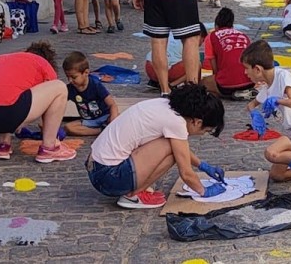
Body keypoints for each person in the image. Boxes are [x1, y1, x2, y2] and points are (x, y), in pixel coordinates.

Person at [86, 84, 226, 208]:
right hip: (109, 177)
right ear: (197, 122)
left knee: (172, 146)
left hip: (97, 168)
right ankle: (132, 195)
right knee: (170, 147)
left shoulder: (165, 105)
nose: (202, 134)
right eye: (205, 131)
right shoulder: (176, 123)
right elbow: (186, 173)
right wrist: (203, 191)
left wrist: (202, 165)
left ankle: (135, 187)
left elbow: (181, 149)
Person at [0, 41, 77, 163]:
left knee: (7, 93)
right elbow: (50, 103)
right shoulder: (42, 63)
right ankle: (50, 148)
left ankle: (3, 144)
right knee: (59, 88)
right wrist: (52, 132)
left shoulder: (2, 59)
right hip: (8, 110)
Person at [241, 40, 291, 182]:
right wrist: (254, 114)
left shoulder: (282, 75)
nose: (245, 72)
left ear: (257, 69)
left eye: (247, 68)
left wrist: (276, 100)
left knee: (271, 152)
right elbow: (251, 104)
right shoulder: (267, 87)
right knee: (277, 175)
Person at [201, 8, 256, 100]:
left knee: (202, 84)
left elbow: (214, 67)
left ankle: (230, 94)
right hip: (250, 82)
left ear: (216, 25)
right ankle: (241, 92)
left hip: (226, 86)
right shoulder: (243, 35)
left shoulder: (211, 36)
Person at [61, 52, 119, 136]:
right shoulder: (70, 88)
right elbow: (58, 103)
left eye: (74, 77)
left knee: (119, 118)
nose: (70, 80)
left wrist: (113, 120)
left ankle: (106, 128)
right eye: (67, 77)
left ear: (86, 73)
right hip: (88, 121)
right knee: (68, 127)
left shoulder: (95, 85)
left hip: (105, 117)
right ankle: (101, 131)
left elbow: (112, 105)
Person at [146, 24, 208, 91]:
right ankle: (172, 85)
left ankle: (156, 82)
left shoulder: (171, 34)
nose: (201, 44)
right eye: (203, 40)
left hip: (150, 67)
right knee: (196, 64)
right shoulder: (189, 42)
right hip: (168, 70)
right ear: (199, 36)